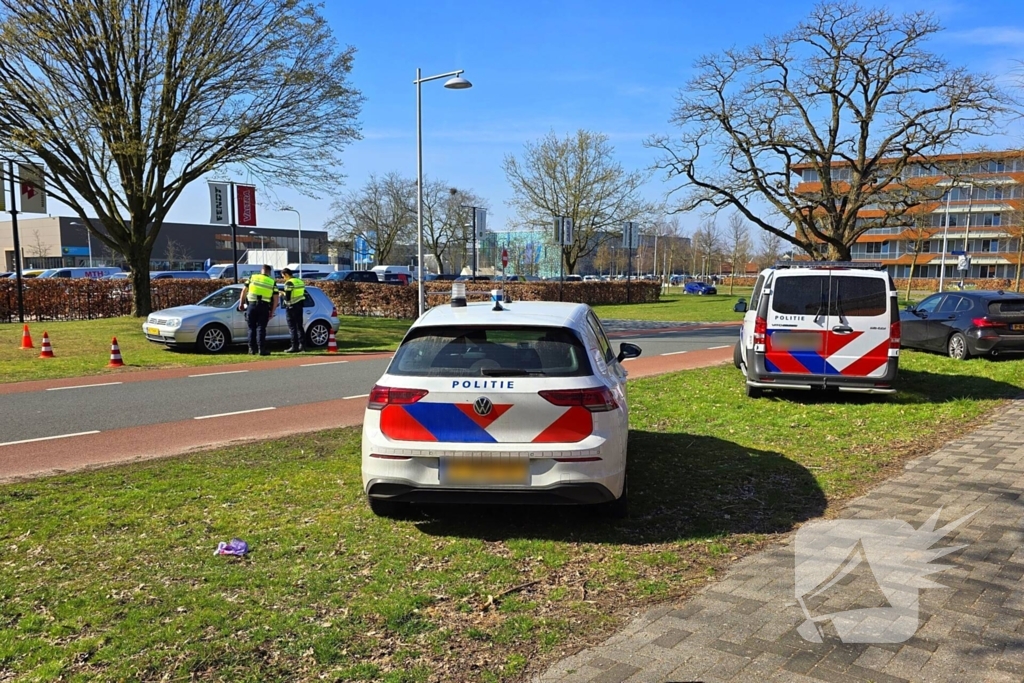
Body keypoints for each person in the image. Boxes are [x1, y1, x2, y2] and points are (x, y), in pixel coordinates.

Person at [237, 264, 279, 356]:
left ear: (261, 270)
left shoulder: (252, 277)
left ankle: (251, 349)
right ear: (269, 272)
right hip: (263, 307)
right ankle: (261, 349)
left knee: (251, 328)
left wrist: (241, 304)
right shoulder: (272, 281)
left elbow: (244, 291)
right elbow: (276, 299)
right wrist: (272, 311)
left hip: (251, 306)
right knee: (261, 328)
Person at [280, 267, 306, 353]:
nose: (283, 278)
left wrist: (282, 293)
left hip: (291, 307)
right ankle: (302, 346)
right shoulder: (300, 281)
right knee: (299, 326)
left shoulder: (289, 283)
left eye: (283, 276)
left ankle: (294, 346)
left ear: (286, 274)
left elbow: (287, 298)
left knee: (292, 327)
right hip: (299, 306)